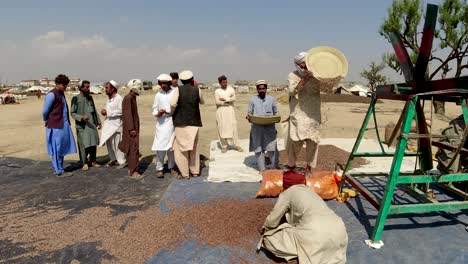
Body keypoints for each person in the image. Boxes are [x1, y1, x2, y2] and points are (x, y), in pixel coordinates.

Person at [258, 171, 348, 264]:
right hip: (340, 231)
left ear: (285, 185)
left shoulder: (288, 192)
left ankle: (298, 255)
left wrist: (266, 228)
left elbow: (273, 220)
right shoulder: (312, 192)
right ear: (303, 183)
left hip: (315, 233)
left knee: (269, 240)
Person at [287, 51, 321, 174]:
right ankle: (291, 167)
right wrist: (305, 79)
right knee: (295, 141)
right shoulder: (293, 75)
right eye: (303, 65)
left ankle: (309, 168)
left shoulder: (317, 76)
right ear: (297, 65)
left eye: (307, 64)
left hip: (313, 114)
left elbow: (329, 88)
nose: (305, 67)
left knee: (313, 142)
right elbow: (292, 92)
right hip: (298, 114)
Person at [170, 70, 204, 179]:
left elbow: (172, 103)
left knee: (181, 149)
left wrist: (173, 112)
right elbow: (202, 102)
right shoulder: (197, 89)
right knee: (194, 148)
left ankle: (185, 173)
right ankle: (195, 171)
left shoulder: (177, 90)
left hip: (180, 123)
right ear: (192, 79)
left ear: (181, 80)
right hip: (194, 123)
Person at [42, 74, 77, 177]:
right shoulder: (51, 94)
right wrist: (46, 120)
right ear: (57, 84)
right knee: (56, 148)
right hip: (56, 125)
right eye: (63, 85)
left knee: (61, 147)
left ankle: (60, 168)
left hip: (63, 125)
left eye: (66, 85)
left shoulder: (61, 94)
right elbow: (45, 111)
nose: (65, 87)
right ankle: (58, 171)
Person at [247, 80, 279, 172]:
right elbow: (249, 112)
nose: (262, 90)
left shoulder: (272, 99)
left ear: (266, 89)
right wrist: (248, 117)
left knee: (272, 148)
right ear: (257, 89)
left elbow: (276, 112)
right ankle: (262, 169)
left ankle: (274, 167)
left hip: (270, 127)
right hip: (257, 128)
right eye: (260, 89)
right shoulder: (252, 99)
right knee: (258, 149)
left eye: (263, 88)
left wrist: (277, 117)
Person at [71, 80, 101, 171]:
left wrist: (98, 121)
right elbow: (72, 113)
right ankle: (84, 162)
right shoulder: (75, 99)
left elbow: (94, 110)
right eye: (86, 87)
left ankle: (93, 161)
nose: (88, 88)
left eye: (89, 87)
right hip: (82, 126)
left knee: (93, 143)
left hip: (91, 124)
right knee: (83, 145)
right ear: (81, 88)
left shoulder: (90, 98)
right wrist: (81, 117)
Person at [151, 74, 177, 178]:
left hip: (171, 122)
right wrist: (158, 113)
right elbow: (154, 108)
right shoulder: (158, 95)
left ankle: (171, 167)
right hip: (161, 123)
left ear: (169, 83)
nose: (163, 85)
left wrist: (169, 112)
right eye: (161, 83)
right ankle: (159, 168)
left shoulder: (174, 92)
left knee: (171, 147)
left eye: (165, 83)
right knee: (160, 147)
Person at [99, 80, 127, 169]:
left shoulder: (119, 98)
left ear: (113, 89)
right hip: (108, 126)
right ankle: (113, 160)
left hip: (116, 126)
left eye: (107, 88)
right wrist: (105, 111)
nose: (105, 90)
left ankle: (122, 161)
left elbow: (121, 111)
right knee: (109, 144)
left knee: (117, 144)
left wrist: (108, 112)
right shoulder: (109, 99)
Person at [119, 80, 142, 179]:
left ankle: (132, 169)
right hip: (131, 130)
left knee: (133, 149)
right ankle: (133, 171)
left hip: (132, 129)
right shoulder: (128, 98)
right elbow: (127, 115)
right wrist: (132, 129)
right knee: (133, 149)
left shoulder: (132, 97)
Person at [215, 75, 242, 153]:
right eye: (223, 82)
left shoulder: (231, 89)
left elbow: (234, 99)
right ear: (220, 83)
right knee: (221, 127)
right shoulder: (217, 91)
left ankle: (236, 145)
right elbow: (217, 102)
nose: (225, 83)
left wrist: (225, 100)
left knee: (233, 127)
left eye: (226, 82)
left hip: (230, 111)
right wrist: (228, 101)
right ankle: (224, 146)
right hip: (221, 112)